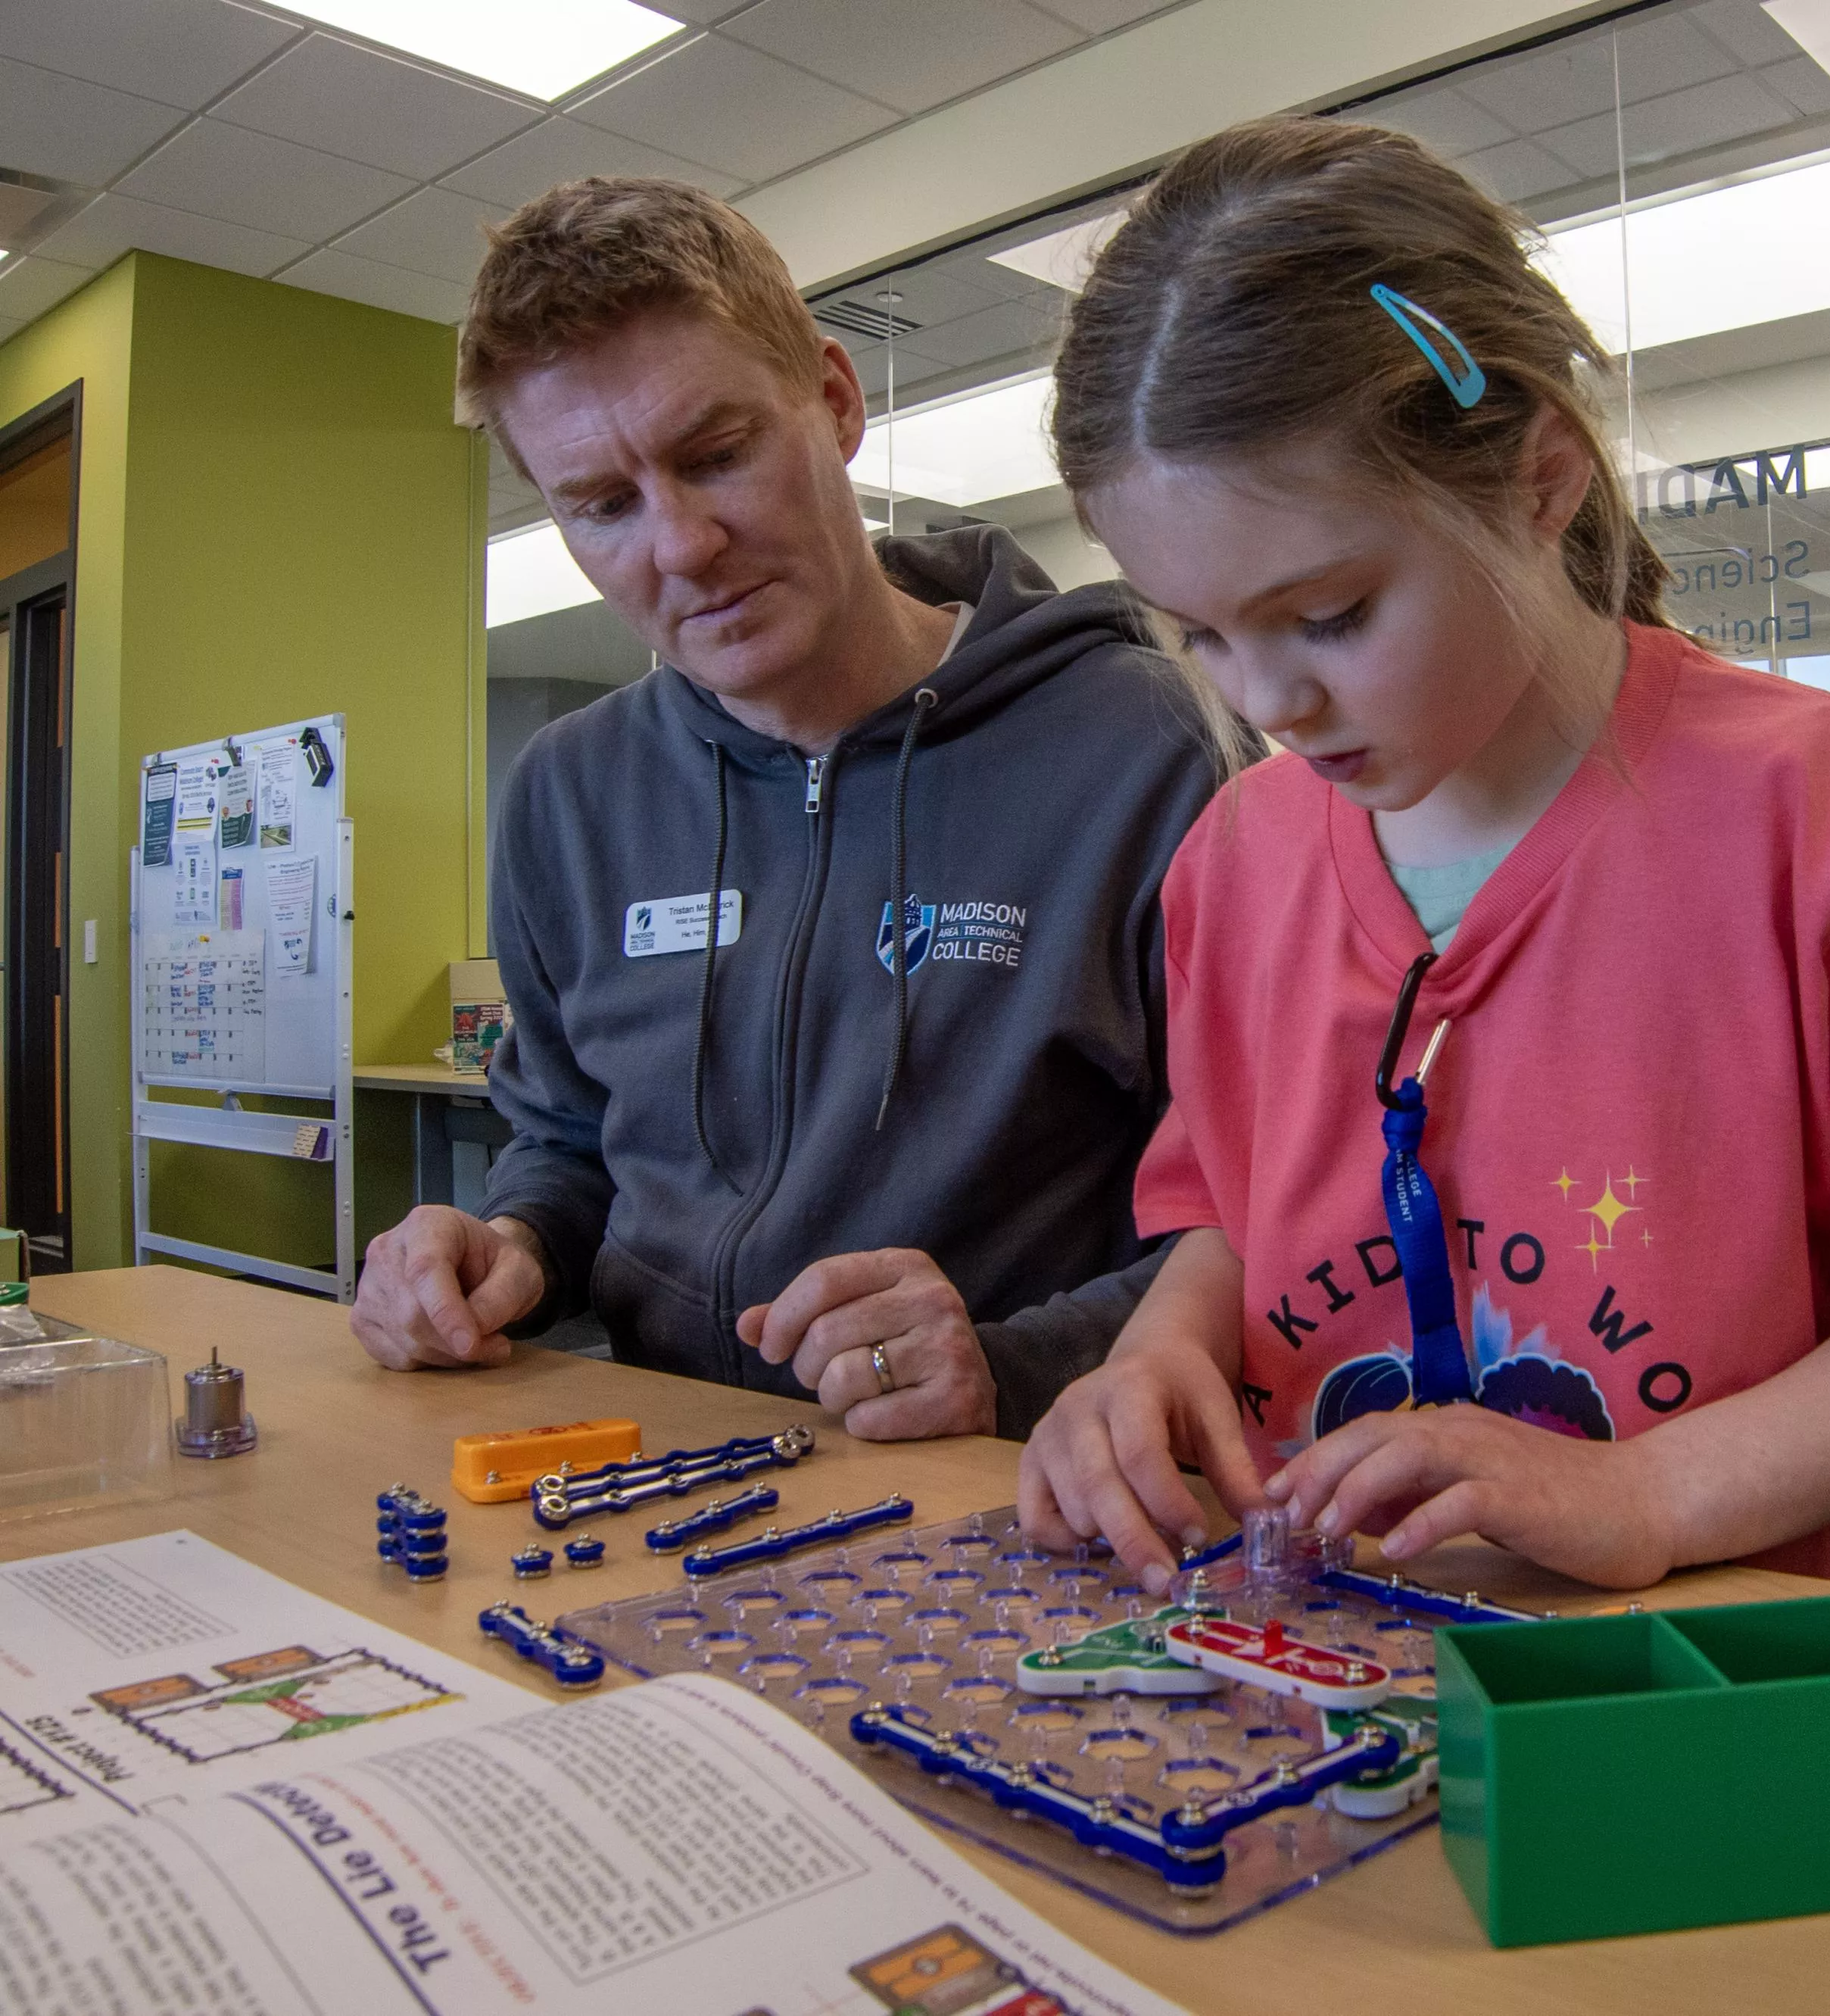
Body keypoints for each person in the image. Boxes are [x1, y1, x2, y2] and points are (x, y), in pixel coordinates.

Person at [1018, 117, 1830, 1591]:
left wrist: (1649, 1491)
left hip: (1714, 1672)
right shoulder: (1234, 862)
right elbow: (1234, 1214)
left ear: (1541, 477)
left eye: (1330, 615)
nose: (1268, 700)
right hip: (1336, 1654)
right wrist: (1158, 1350)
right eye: (1200, 634)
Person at [349, 179, 1219, 1440]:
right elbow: (568, 1140)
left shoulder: (1143, 744)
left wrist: (1014, 1364)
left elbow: (1260, 1207)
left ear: (837, 399)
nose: (682, 544)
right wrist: (509, 1241)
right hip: (656, 1465)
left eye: (717, 455)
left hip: (998, 1478)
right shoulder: (568, 794)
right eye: (604, 505)